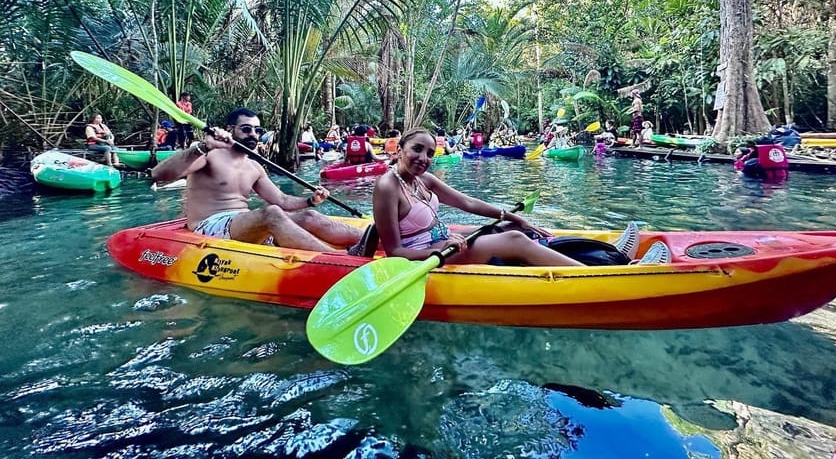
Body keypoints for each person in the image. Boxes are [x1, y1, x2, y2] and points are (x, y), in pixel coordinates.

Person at [371, 128, 669, 266]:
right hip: (430, 257)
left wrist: (510, 215)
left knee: (517, 229)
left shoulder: (424, 179)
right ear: (399, 150)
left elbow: (469, 204)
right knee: (514, 241)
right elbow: (395, 252)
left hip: (444, 241)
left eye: (430, 153)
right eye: (417, 150)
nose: (423, 158)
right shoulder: (387, 186)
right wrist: (443, 246)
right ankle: (604, 278)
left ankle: (608, 255)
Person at [151, 107, 363, 252]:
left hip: (243, 224)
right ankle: (340, 259)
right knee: (271, 213)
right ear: (229, 130)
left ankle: (378, 240)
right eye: (246, 129)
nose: (253, 134)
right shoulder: (209, 156)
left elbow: (281, 199)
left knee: (309, 216)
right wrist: (203, 146)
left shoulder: (254, 166)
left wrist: (311, 200)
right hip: (209, 225)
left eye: (257, 130)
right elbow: (159, 175)